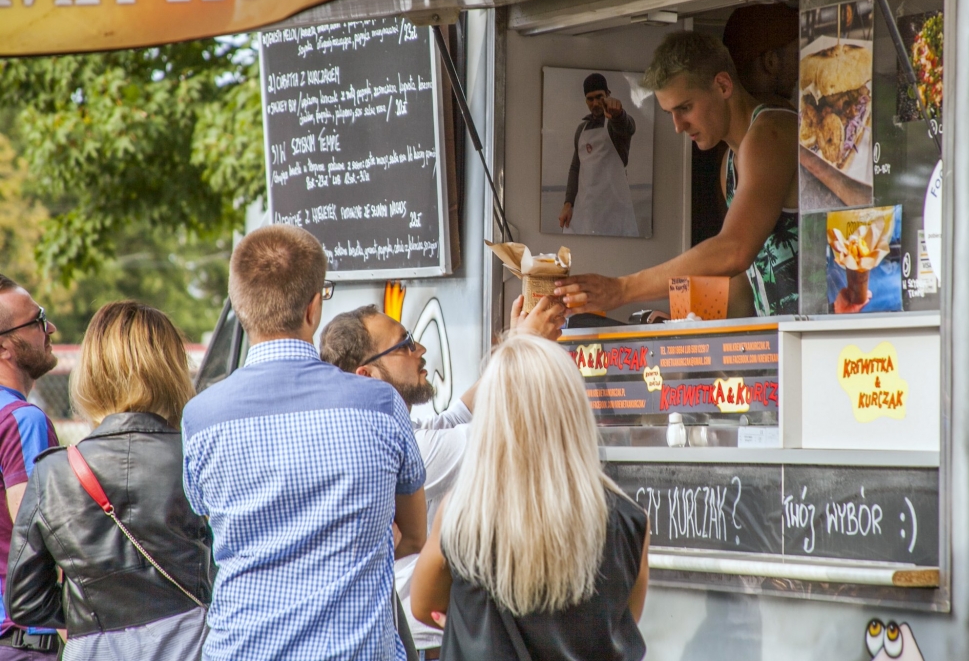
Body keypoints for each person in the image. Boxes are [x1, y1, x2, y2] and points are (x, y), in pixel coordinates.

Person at [182, 224, 427, 661]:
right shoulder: (380, 405)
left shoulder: (201, 418)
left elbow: (208, 525)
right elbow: (413, 534)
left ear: (241, 308)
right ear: (314, 308)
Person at [319, 295, 564, 661]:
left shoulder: (377, 431)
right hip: (421, 638)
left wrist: (516, 341)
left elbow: (458, 416)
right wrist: (525, 348)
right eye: (403, 345)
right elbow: (497, 427)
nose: (420, 348)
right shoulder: (399, 444)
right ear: (366, 375)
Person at [410, 334, 650, 660]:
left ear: (493, 417)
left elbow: (424, 607)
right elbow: (624, 617)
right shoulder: (628, 519)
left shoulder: (462, 513)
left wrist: (469, 620)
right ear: (575, 409)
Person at [5, 301, 214, 661]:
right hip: (191, 644)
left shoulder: (53, 472)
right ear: (172, 369)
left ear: (92, 372)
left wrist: (93, 613)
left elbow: (25, 602)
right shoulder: (198, 457)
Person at [555, 31, 799, 318]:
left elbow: (734, 251)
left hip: (825, 343)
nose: (678, 126)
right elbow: (753, 280)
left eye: (685, 107)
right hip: (787, 348)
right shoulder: (730, 164)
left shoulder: (769, 134)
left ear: (722, 86)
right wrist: (682, 323)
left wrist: (623, 289)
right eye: (670, 112)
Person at [0, 275, 59, 660]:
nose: (50, 328)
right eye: (37, 320)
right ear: (5, 345)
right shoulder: (21, 421)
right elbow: (40, 537)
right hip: (21, 637)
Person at [558, 72, 640, 237]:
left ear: (608, 94)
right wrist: (568, 203)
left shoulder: (615, 126)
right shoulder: (581, 130)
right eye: (590, 98)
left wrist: (618, 114)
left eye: (599, 96)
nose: (595, 103)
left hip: (615, 212)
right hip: (587, 211)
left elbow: (628, 127)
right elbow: (575, 168)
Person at [723, 3, 800, 107]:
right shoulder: (785, 119)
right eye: (796, 56)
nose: (799, 69)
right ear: (770, 61)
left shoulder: (723, 115)